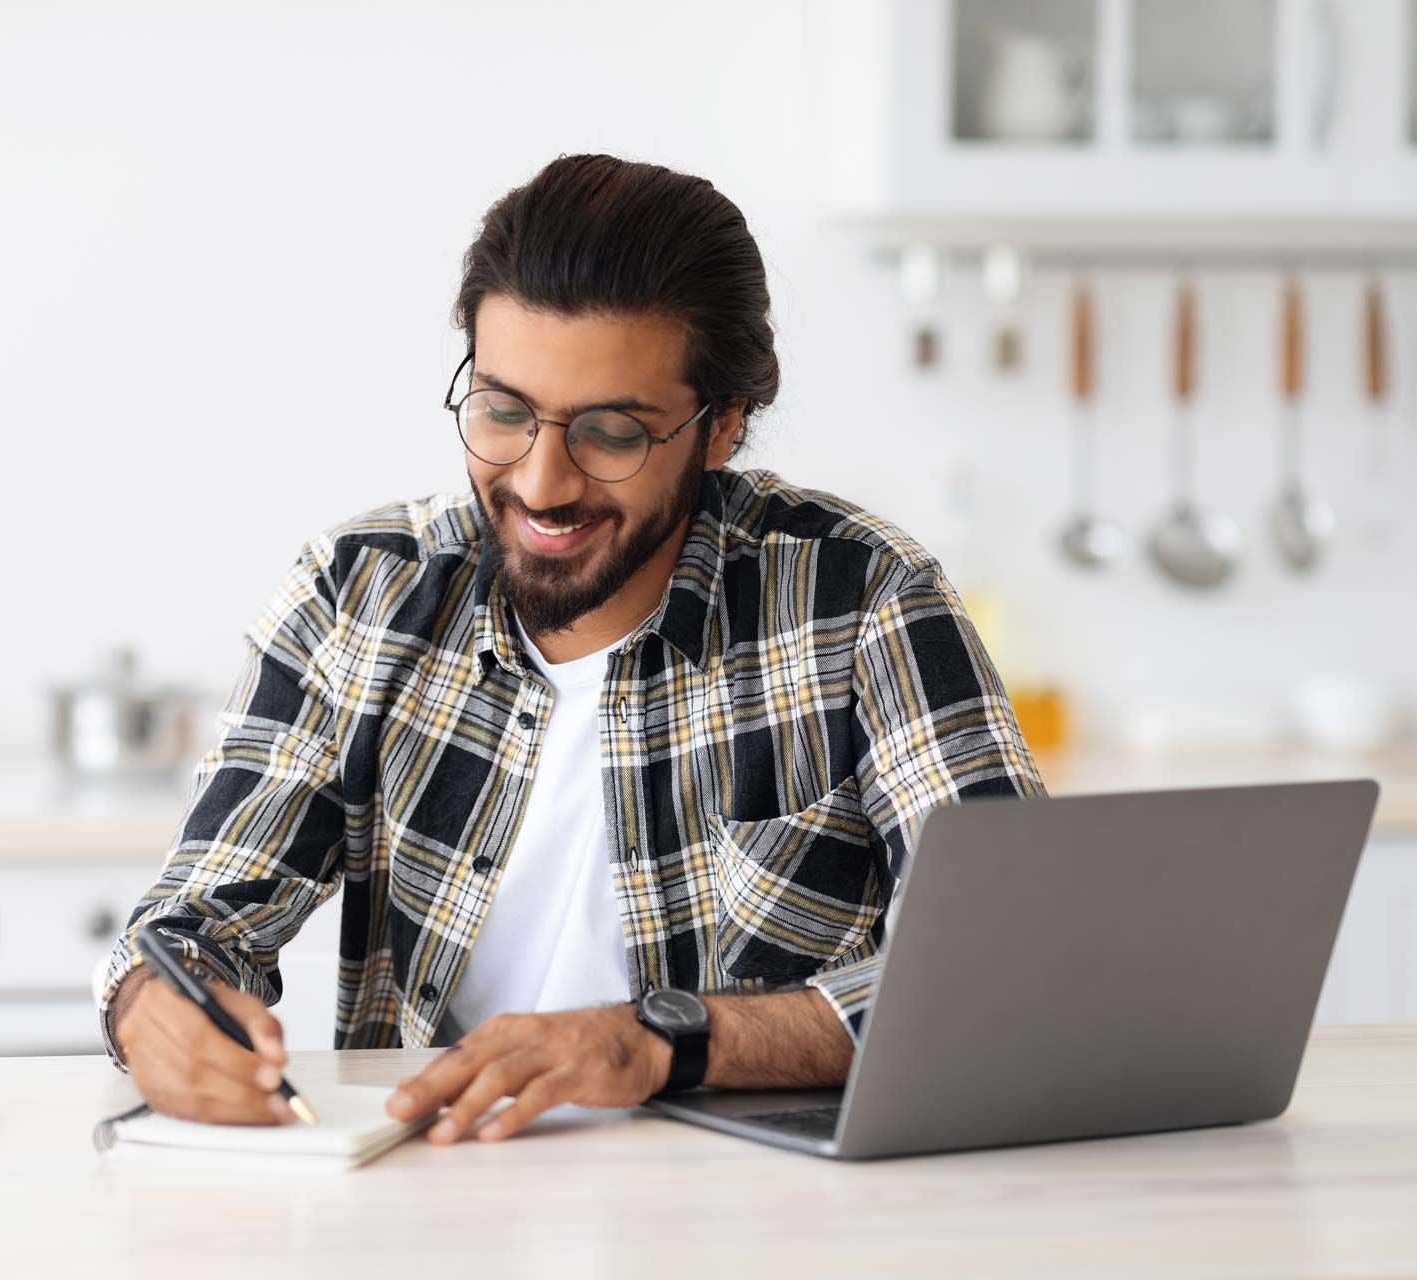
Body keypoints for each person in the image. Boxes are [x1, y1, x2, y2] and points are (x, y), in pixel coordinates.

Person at [95, 153, 1045, 1145]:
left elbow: (1017, 967)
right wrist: (154, 1008)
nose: (542, 482)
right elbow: (195, 918)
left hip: (763, 1220)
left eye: (609, 433)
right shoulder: (360, 595)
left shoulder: (863, 601)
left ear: (722, 427)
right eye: (504, 411)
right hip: (435, 1195)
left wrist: (667, 1039)